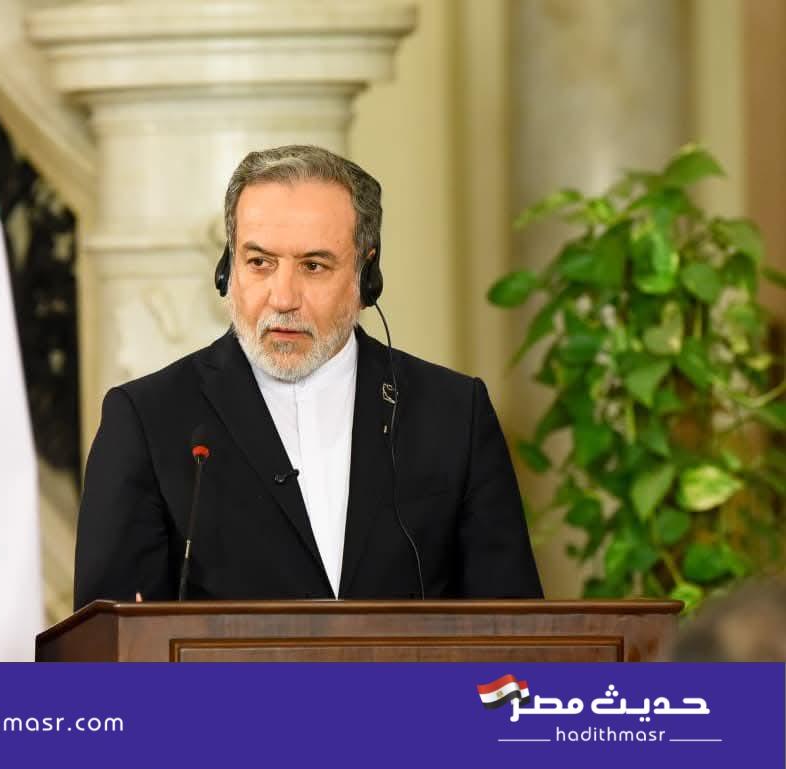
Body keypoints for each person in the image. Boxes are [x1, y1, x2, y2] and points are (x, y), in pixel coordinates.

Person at [73, 145, 542, 609]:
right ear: (227, 269)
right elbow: (106, 641)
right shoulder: (146, 420)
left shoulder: (454, 413)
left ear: (366, 275)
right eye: (260, 262)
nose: (283, 298)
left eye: (313, 266)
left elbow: (515, 629)